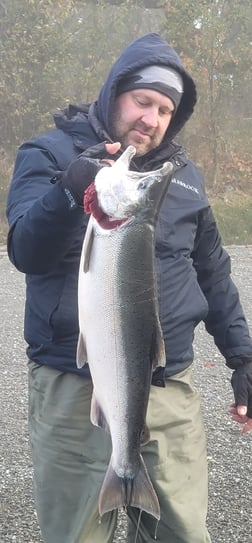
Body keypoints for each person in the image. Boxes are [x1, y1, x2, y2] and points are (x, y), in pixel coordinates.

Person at [6, 33, 252, 543]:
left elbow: (213, 271)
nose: (152, 119)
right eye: (143, 101)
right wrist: (69, 189)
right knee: (76, 535)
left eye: (165, 110)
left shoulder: (183, 178)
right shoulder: (49, 154)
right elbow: (25, 251)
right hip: (72, 386)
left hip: (168, 387)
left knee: (182, 532)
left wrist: (243, 357)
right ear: (114, 91)